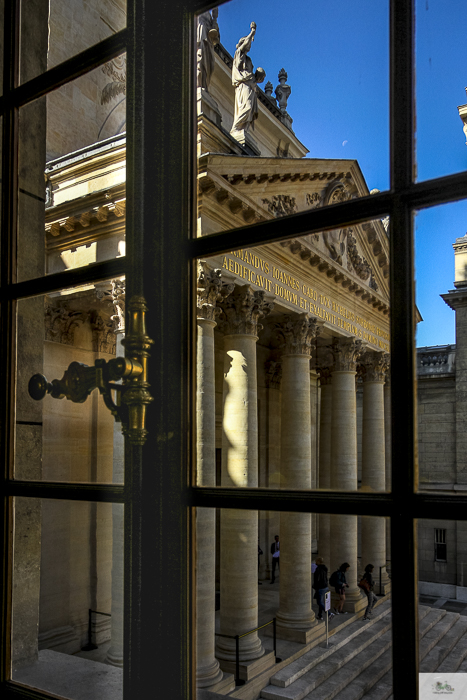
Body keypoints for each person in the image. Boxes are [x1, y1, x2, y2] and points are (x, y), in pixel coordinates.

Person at [230, 22, 266, 140]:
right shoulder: (238, 54)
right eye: (247, 43)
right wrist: (252, 33)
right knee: (247, 107)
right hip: (243, 84)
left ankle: (243, 129)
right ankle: (236, 127)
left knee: (249, 110)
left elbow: (253, 76)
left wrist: (259, 76)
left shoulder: (249, 60)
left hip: (250, 86)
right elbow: (244, 45)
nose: (249, 45)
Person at [312, 557, 334, 622]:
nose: (315, 562)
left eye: (316, 561)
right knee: (321, 601)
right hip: (325, 586)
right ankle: (320, 615)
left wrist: (315, 587)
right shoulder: (325, 568)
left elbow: (317, 580)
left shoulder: (318, 569)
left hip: (320, 587)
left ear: (318, 562)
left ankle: (329, 614)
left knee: (319, 602)